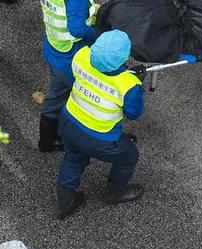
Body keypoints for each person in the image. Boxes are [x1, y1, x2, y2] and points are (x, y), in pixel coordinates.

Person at [55, 30, 145, 220]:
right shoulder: (129, 84)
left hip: (69, 122)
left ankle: (65, 202)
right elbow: (133, 113)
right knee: (129, 157)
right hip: (100, 138)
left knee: (73, 158)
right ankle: (114, 192)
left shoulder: (81, 55)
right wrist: (138, 83)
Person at [34, 0, 98, 153]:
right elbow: (78, 29)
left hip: (54, 51)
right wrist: (97, 34)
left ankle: (47, 141)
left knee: (56, 96)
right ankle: (91, 141)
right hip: (72, 57)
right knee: (87, 100)